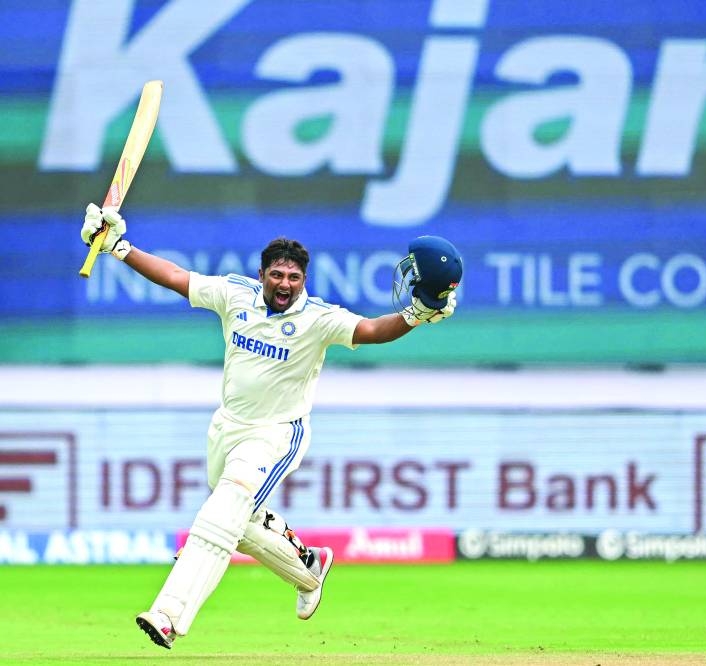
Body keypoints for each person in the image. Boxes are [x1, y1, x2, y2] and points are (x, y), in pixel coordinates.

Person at [79, 203, 462, 650]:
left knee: (219, 516)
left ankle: (169, 614)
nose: (284, 284)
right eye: (277, 276)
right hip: (226, 428)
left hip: (276, 435)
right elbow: (174, 277)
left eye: (294, 278)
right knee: (239, 524)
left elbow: (374, 329)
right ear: (262, 275)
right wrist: (119, 247)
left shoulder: (318, 319)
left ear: (304, 281)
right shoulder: (234, 294)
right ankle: (308, 568)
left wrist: (416, 315)